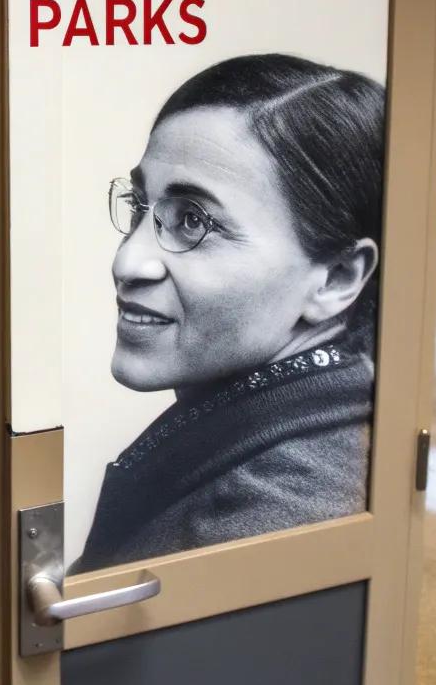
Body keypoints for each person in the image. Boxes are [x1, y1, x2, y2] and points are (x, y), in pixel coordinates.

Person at [75, 53, 383, 572]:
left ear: (337, 278)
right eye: (139, 206)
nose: (127, 260)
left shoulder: (271, 522)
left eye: (195, 221)